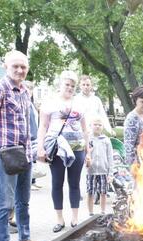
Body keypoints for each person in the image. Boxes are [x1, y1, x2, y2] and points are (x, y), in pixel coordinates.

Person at [0, 50, 46, 241]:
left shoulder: (24, 91)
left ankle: (24, 237)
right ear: (6, 66)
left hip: (24, 153)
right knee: (4, 201)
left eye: (23, 67)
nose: (19, 70)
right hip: (6, 153)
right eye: (15, 66)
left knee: (23, 200)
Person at [37, 70, 89, 232]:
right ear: (60, 85)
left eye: (73, 85)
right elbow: (43, 126)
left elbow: (85, 128)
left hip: (77, 149)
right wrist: (40, 147)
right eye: (67, 84)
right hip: (57, 149)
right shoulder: (50, 103)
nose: (70, 88)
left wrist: (89, 150)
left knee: (75, 183)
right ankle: (59, 219)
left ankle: (75, 218)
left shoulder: (80, 104)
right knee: (57, 183)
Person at [85, 117, 114, 216]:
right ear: (91, 126)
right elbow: (84, 154)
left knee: (103, 192)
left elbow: (110, 157)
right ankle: (90, 212)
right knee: (90, 192)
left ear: (102, 127)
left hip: (103, 171)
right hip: (91, 171)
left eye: (99, 125)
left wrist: (110, 173)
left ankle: (102, 211)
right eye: (95, 124)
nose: (97, 127)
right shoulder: (88, 139)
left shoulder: (106, 140)